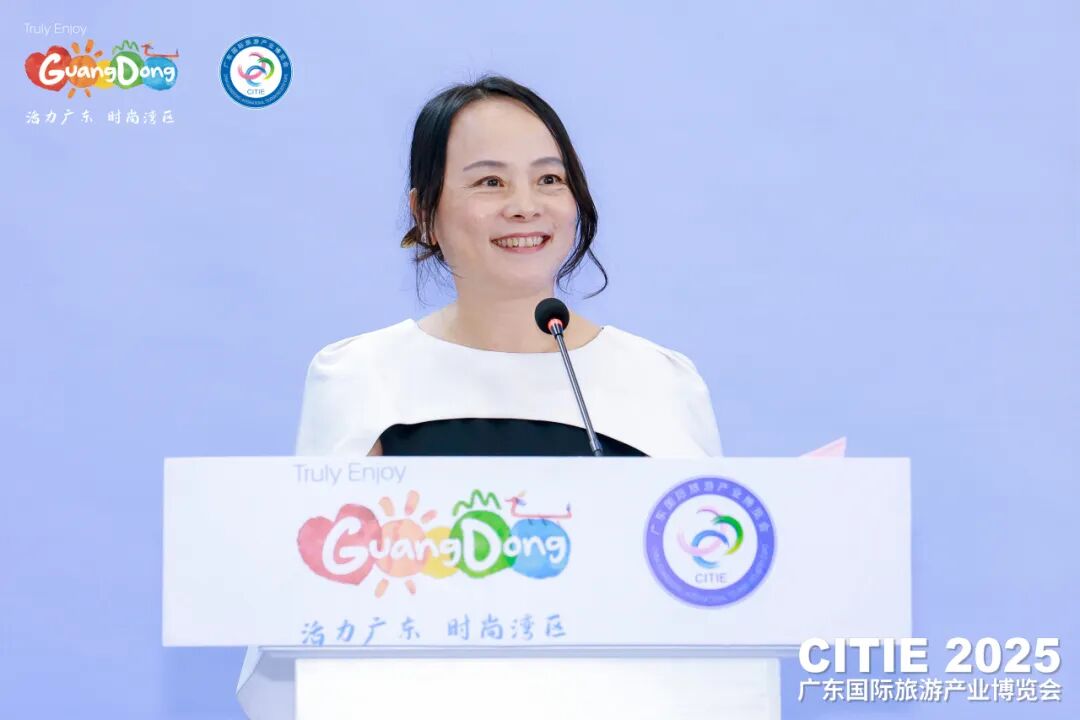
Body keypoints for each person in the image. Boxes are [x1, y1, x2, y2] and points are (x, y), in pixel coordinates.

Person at [235, 74, 723, 720]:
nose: (525, 206)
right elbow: (308, 611)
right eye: (490, 182)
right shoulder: (362, 375)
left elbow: (716, 598)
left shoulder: (658, 379)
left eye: (549, 179)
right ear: (425, 213)